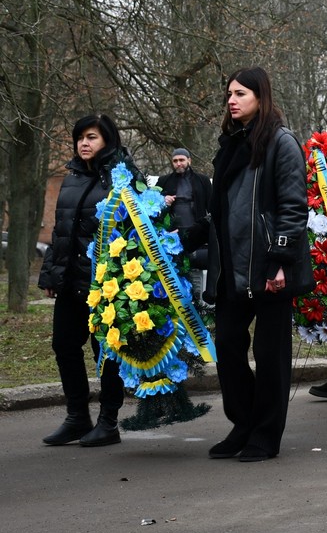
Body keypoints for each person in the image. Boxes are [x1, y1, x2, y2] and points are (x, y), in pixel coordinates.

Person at [196, 66, 312, 462]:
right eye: (229, 93)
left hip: (269, 267)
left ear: (260, 98)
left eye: (240, 93)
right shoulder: (230, 144)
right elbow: (221, 211)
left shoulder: (281, 143)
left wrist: (279, 262)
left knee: (270, 354)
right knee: (227, 346)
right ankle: (243, 424)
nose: (231, 100)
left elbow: (294, 208)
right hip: (233, 268)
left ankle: (265, 434)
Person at [38, 115, 137, 447]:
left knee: (105, 353)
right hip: (71, 283)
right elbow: (60, 232)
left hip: (106, 286)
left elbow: (137, 233)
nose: (84, 143)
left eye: (91, 137)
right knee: (64, 345)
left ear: (107, 140)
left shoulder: (123, 178)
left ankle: (109, 421)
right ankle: (77, 416)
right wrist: (51, 275)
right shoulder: (71, 179)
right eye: (80, 137)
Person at [159, 147, 212, 304]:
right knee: (175, 274)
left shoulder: (203, 180)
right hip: (173, 236)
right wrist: (163, 201)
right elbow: (154, 210)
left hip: (198, 235)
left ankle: (200, 305)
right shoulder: (163, 181)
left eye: (182, 160)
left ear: (189, 160)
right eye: (175, 161)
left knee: (197, 272)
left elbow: (212, 208)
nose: (178, 163)